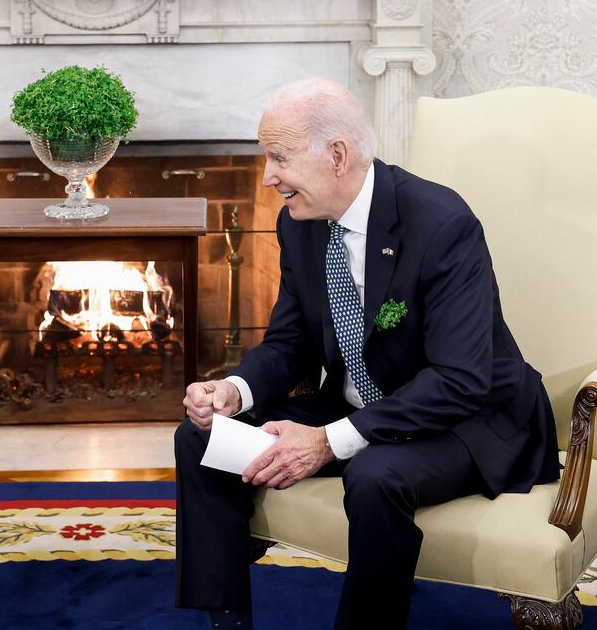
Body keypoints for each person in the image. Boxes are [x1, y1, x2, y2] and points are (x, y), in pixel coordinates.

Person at [175, 78, 560, 629]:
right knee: (201, 436)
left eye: (279, 158)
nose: (268, 177)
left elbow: (459, 379)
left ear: (337, 155)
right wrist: (236, 391)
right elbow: (291, 343)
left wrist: (327, 442)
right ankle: (228, 621)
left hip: (469, 418)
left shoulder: (442, 223)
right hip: (363, 403)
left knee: (376, 474)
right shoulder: (300, 223)